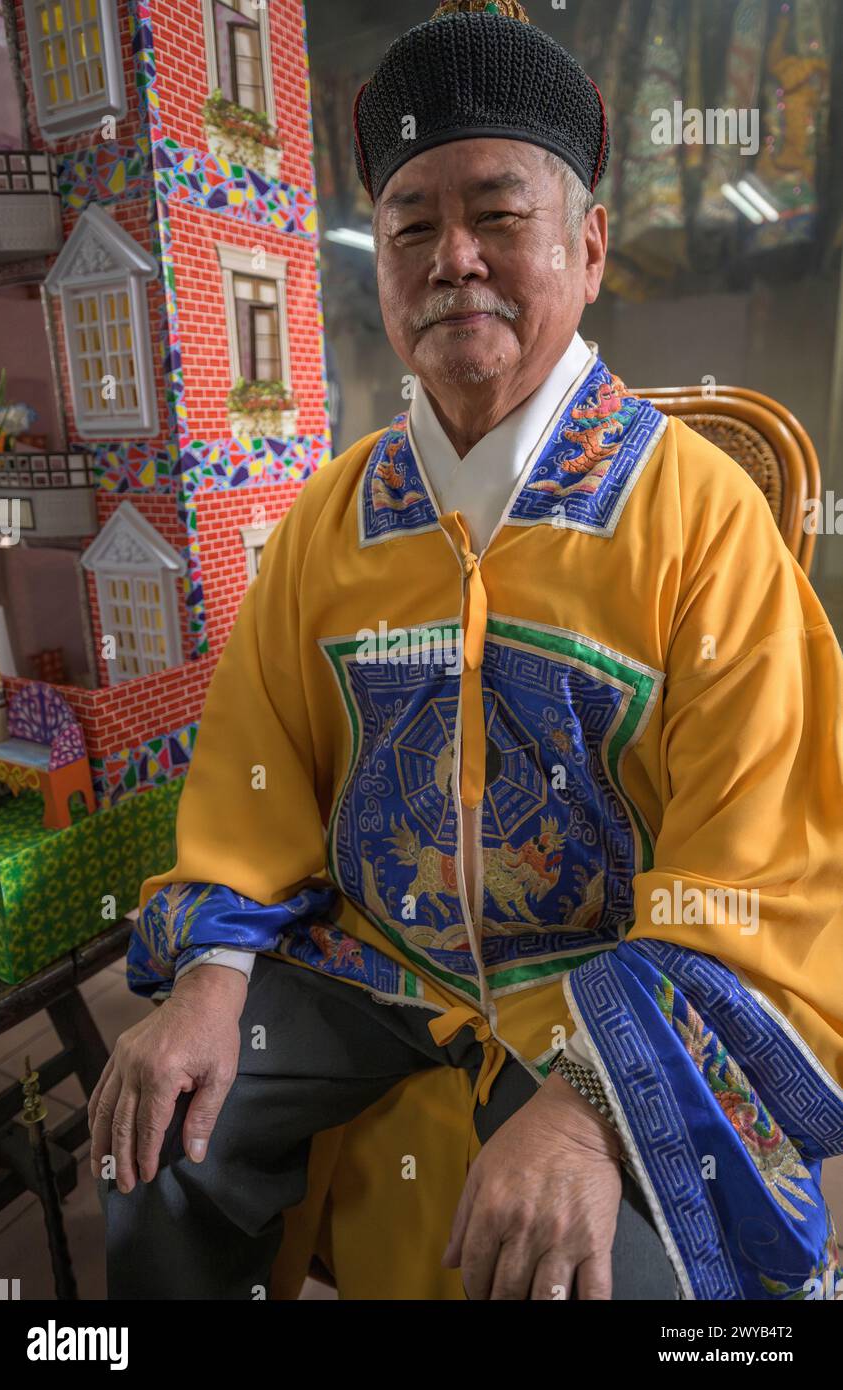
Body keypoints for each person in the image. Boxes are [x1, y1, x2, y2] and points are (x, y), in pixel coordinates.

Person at [92, 0, 843, 1301]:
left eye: (496, 215)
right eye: (408, 225)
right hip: (371, 962)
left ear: (589, 244)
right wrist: (211, 973)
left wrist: (591, 1107)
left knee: (623, 1280)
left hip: (606, 994)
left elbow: (760, 859)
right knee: (156, 1152)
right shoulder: (335, 513)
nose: (451, 258)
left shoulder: (697, 519)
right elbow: (253, 770)